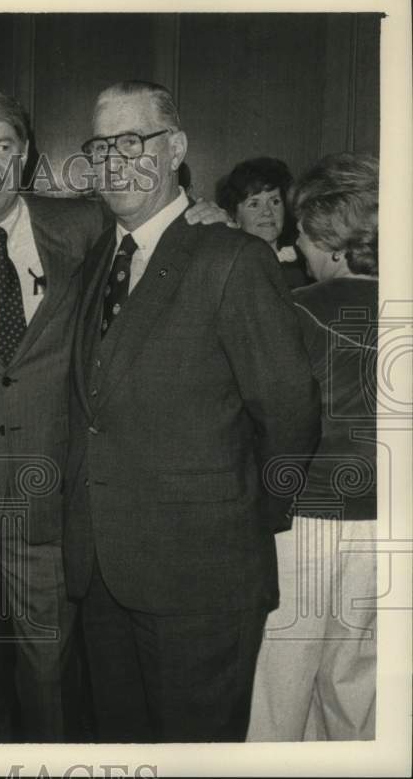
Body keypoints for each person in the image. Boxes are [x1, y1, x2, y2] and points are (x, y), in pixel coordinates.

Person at [0, 80, 230, 743]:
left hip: (59, 524)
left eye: (2, 146)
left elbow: (162, 234)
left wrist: (203, 218)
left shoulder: (84, 224)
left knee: (59, 706)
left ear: (24, 155)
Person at [64, 80, 321, 742]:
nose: (114, 161)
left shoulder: (232, 257)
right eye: (101, 146)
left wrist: (245, 521)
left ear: (175, 147)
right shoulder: (100, 258)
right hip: (103, 576)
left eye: (133, 141)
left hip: (204, 583)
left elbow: (290, 411)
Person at [247, 153, 379, 741]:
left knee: (279, 689)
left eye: (301, 227)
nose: (294, 239)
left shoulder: (294, 311)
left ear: (329, 236)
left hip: (303, 523)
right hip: (389, 528)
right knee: (358, 691)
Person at [217, 156, 309, 288]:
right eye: (254, 204)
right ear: (234, 215)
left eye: (275, 202)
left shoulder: (304, 262)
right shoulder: (228, 269)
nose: (267, 211)